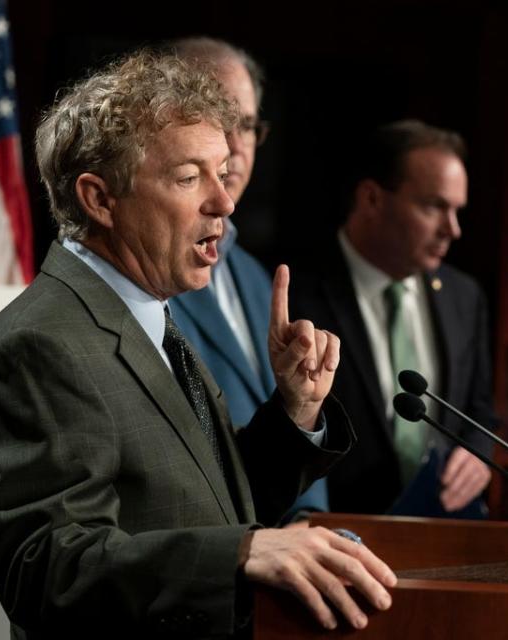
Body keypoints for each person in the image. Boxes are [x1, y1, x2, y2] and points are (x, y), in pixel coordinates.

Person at [0, 50, 396, 638]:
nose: (224, 201)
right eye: (190, 178)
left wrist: (293, 412)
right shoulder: (40, 346)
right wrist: (243, 555)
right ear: (99, 199)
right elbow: (47, 572)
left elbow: (212, 502)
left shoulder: (148, 313)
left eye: (222, 172)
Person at [289, 119, 497, 517]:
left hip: (442, 533)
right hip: (334, 534)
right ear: (371, 199)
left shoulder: (463, 297)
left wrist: (478, 455)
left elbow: (480, 410)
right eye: (434, 207)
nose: (452, 229)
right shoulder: (294, 294)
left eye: (457, 211)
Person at [166, 37, 327, 516]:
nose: (236, 145)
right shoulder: (146, 276)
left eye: (249, 125)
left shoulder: (255, 276)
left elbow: (286, 412)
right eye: (219, 118)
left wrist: (309, 518)